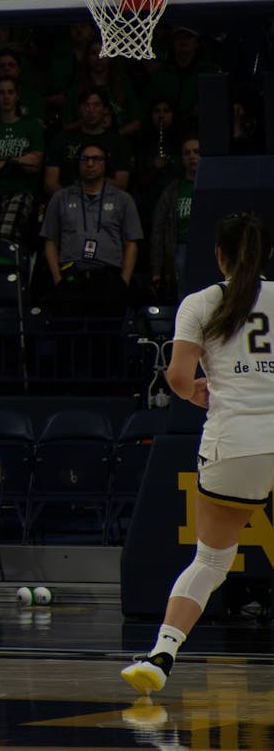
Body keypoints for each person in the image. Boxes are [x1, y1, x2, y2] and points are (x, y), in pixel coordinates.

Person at [122, 213, 273, 695]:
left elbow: (177, 377)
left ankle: (162, 655)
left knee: (210, 561)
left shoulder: (201, 302)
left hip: (235, 443)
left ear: (219, 255)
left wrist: (195, 394)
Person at [41, 142, 144, 319]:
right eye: (85, 159)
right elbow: (50, 241)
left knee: (107, 332)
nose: (90, 164)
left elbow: (131, 243)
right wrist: (58, 279)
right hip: (71, 275)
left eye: (96, 159)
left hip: (109, 276)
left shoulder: (123, 199)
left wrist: (123, 282)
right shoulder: (61, 198)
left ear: (105, 163)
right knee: (69, 332)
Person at [0, 77, 45, 243]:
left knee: (4, 238)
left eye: (10, 92)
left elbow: (36, 164)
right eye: (1, 93)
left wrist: (1, 163)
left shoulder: (31, 126)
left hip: (21, 190)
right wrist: (19, 161)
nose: (6, 97)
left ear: (17, 96)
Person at [150, 133, 200, 302]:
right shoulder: (172, 190)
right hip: (180, 248)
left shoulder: (214, 186)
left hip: (209, 248)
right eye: (187, 153)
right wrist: (156, 270)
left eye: (196, 152)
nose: (192, 156)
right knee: (185, 298)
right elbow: (158, 230)